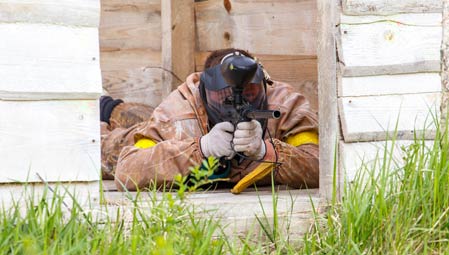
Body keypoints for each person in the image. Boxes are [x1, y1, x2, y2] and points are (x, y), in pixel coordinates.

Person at [100, 48, 319, 193]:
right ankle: (105, 107)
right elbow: (127, 170)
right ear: (203, 92)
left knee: (142, 117)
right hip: (138, 137)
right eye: (224, 96)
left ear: (264, 85)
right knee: (106, 145)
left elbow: (320, 166)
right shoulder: (178, 113)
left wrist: (267, 151)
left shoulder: (285, 105)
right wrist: (201, 148)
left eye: (250, 92)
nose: (239, 102)